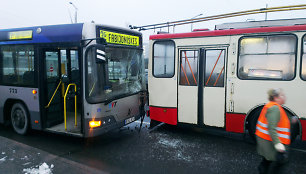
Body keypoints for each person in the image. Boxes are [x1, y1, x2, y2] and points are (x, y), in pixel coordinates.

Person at [256, 88, 292, 174]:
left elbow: (279, 121)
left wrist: (291, 120)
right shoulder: (275, 108)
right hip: (270, 142)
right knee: (279, 162)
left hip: (266, 140)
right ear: (276, 98)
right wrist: (278, 144)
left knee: (268, 161)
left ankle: (262, 170)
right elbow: (271, 128)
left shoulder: (272, 106)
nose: (285, 97)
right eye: (282, 95)